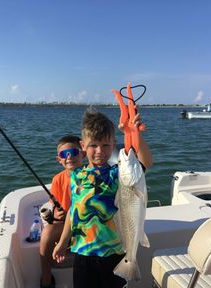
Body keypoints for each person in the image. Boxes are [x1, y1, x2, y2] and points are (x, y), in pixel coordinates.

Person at [52, 108, 153, 288]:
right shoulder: (75, 176)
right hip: (84, 254)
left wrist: (134, 133)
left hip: (115, 252)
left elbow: (146, 162)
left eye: (106, 145)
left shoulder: (118, 174)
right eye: (93, 145)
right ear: (83, 145)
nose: (100, 151)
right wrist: (62, 242)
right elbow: (72, 211)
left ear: (114, 144)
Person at [40, 135, 84, 288]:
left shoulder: (91, 176)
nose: (69, 157)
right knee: (47, 233)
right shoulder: (57, 179)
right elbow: (54, 202)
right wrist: (55, 212)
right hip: (66, 223)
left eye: (73, 151)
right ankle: (46, 277)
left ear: (83, 154)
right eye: (64, 154)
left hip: (87, 224)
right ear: (59, 159)